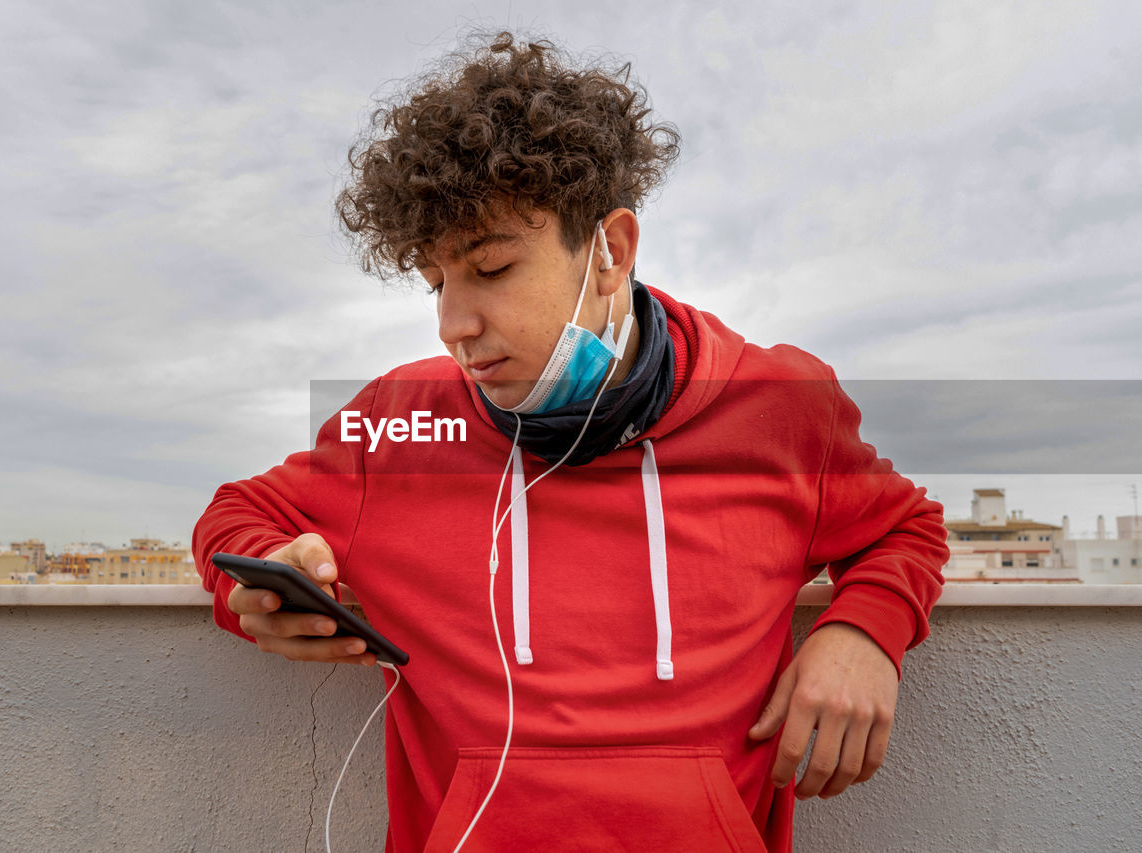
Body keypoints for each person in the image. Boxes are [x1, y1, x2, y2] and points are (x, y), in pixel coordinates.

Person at [192, 32, 948, 853]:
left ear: (610, 252)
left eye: (489, 268)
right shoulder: (405, 418)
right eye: (437, 284)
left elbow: (904, 527)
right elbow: (238, 514)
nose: (454, 325)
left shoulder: (778, 405)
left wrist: (865, 632)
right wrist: (267, 591)